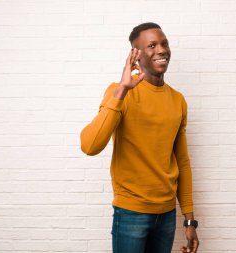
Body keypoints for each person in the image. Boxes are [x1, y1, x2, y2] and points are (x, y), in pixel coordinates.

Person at [80, 22, 199, 253]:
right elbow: (90, 145)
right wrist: (123, 90)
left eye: (164, 43)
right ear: (136, 54)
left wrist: (189, 220)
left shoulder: (177, 100)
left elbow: (182, 162)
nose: (161, 50)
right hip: (130, 213)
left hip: (166, 216)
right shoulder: (119, 91)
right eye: (151, 45)